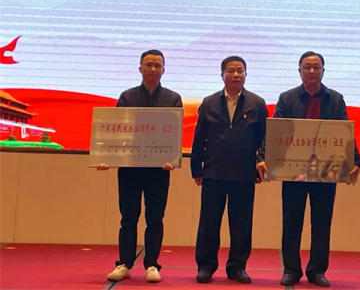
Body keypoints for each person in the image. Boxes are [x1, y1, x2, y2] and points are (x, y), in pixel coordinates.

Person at [257, 51, 360, 288]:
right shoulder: (287, 98)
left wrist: (355, 161)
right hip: (293, 170)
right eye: (307, 67)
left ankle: (317, 271)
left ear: (323, 71)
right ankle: (291, 270)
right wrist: (263, 157)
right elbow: (275, 132)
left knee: (322, 224)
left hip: (326, 172)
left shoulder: (335, 99)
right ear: (299, 71)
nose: (312, 71)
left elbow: (345, 132)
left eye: (316, 67)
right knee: (291, 222)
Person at [98, 49, 183, 284]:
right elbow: (114, 132)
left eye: (157, 65)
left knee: (155, 219)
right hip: (130, 169)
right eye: (148, 65)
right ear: (140, 68)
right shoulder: (127, 97)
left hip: (159, 169)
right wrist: (106, 157)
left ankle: (152, 265)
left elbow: (175, 135)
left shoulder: (172, 99)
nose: (153, 69)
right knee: (128, 218)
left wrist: (173, 158)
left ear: (164, 70)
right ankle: (124, 264)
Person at [191, 56, 268, 285]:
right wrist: (196, 168)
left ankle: (237, 267)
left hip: (244, 173)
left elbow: (264, 138)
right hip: (214, 172)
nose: (236, 74)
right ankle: (205, 266)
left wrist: (261, 162)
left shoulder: (257, 103)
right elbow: (199, 138)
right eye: (231, 70)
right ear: (222, 75)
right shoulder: (209, 103)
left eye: (240, 71)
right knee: (209, 223)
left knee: (242, 224)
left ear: (246, 74)